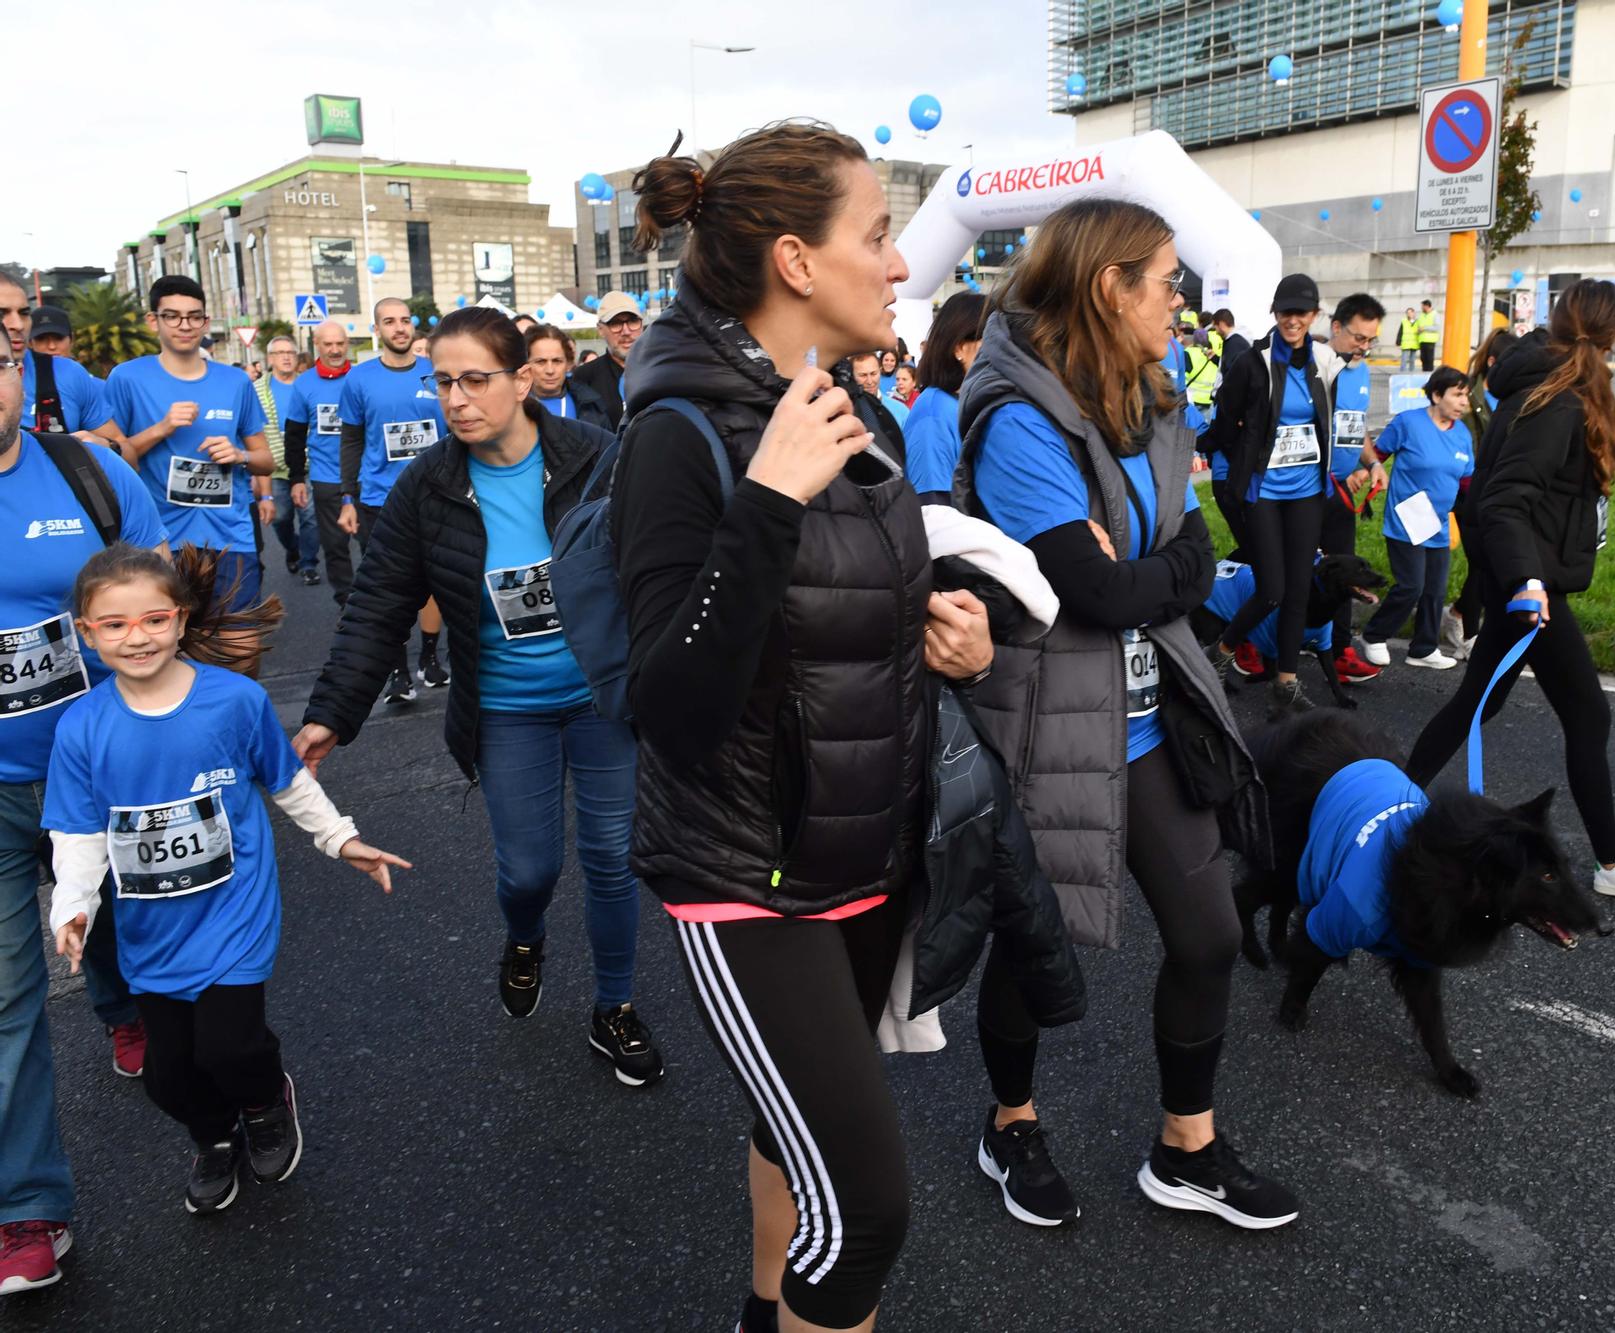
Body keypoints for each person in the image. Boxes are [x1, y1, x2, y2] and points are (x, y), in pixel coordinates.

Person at [612, 121, 984, 1333]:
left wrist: (957, 636)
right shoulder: (676, 431)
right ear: (792, 259)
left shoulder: (844, 404)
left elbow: (852, 613)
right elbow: (667, 706)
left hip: (861, 851)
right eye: (875, 237)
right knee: (866, 1212)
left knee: (795, 1137)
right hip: (742, 871)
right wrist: (767, 499)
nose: (897, 267)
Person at [957, 197, 1293, 1234]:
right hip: (1048, 723)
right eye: (1164, 279)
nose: (1180, 300)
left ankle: (1183, 1147)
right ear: (1111, 286)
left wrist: (1146, 571)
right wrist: (1156, 573)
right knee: (1034, 951)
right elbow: (1089, 594)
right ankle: (1009, 1120)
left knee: (1205, 934)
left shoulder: (1148, 397)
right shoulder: (1015, 417)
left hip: (1150, 714)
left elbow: (1188, 553)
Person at [294, 306, 662, 1086]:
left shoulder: (596, 455)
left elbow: (656, 569)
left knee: (612, 859)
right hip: (506, 708)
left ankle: (616, 1006)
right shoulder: (429, 485)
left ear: (523, 379)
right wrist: (332, 711)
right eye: (443, 382)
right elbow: (379, 602)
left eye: (475, 379)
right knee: (529, 869)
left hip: (602, 702)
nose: (456, 398)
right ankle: (525, 939)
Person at [43, 543, 406, 1216]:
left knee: (232, 1046)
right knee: (170, 1074)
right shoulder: (80, 728)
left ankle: (266, 1100)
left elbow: (288, 781)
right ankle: (212, 1136)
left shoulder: (235, 700)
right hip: (151, 929)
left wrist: (341, 839)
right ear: (87, 635)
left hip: (233, 909)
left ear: (180, 620)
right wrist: (73, 906)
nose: (137, 637)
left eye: (153, 619)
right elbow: (80, 832)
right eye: (114, 624)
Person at [1404, 278, 1615, 904]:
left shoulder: (1563, 385)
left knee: (1477, 705)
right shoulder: (1555, 397)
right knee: (1587, 713)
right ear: (1613, 332)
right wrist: (1527, 581)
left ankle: (1391, 801)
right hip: (1528, 583)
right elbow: (1505, 498)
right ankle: (1613, 860)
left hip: (1522, 577)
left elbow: (1601, 454)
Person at [0, 349, 166, 1295]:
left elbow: (155, 589)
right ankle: (27, 1210)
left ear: (17, 371)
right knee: (7, 1001)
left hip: (104, 771)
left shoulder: (87, 472)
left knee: (118, 926)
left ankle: (140, 1015)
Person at [101, 277, 275, 640]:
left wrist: (240, 455)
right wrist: (161, 428)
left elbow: (266, 460)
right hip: (161, 540)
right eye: (173, 316)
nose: (185, 325)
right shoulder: (128, 378)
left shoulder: (235, 382)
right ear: (154, 321)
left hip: (230, 537)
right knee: (175, 648)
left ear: (206, 322)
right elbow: (111, 461)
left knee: (241, 645)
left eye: (194, 317)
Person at [1204, 272, 1339, 717]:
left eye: (1301, 312)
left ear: (1314, 315)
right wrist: (1233, 452)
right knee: (1273, 589)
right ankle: (1220, 652)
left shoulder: (1324, 361)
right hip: (1263, 491)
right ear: (1275, 314)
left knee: (1300, 586)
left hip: (1305, 490)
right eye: (1285, 312)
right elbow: (1224, 422)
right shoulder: (1253, 362)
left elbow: (1328, 420)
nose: (1292, 320)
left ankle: (1286, 681)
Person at [337, 297, 450, 699]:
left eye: (405, 321)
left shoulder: (436, 374)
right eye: (390, 321)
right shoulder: (358, 379)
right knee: (390, 586)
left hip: (436, 493)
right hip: (378, 498)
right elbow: (350, 441)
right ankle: (397, 671)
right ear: (377, 329)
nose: (399, 328)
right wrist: (347, 497)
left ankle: (431, 659)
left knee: (435, 579)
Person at [1359, 366, 1475, 670]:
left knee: (1435, 590)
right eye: (1458, 395)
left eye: (1467, 396)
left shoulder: (1462, 434)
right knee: (1411, 585)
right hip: (1406, 518)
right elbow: (1378, 455)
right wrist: (1368, 471)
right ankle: (1374, 635)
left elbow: (1466, 483)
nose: (1465, 402)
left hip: (1436, 522)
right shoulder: (1408, 423)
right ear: (1437, 395)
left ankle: (1423, 649)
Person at [1316, 292, 1388, 686]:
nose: (1364, 346)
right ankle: (1260, 643)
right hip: (1305, 489)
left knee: (1345, 567)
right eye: (1359, 338)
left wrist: (1372, 462)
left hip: (1341, 491)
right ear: (1336, 328)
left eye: (1370, 339)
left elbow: (1354, 426)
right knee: (1298, 569)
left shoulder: (1360, 372)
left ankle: (1340, 650)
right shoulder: (1314, 365)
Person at [1439, 328, 1519, 659]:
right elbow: (1466, 445)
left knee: (1487, 563)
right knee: (1483, 563)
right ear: (1492, 361)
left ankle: (1457, 615)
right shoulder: (1468, 397)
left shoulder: (1511, 393)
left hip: (1499, 491)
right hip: (1469, 490)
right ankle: (1467, 630)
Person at [283, 321, 360, 605]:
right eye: (328, 344)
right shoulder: (304, 383)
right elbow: (294, 435)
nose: (335, 349)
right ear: (317, 344)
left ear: (347, 344)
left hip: (366, 476)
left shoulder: (361, 378)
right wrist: (295, 479)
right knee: (335, 546)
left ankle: (375, 601)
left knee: (373, 545)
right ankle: (346, 602)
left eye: (340, 343)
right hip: (326, 477)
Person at [0, 281, 119, 447]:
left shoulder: (69, 373)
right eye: (2, 313)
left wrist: (105, 447)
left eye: (24, 313)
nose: (18, 325)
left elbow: (126, 452)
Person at [903, 289, 985, 500]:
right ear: (959, 348)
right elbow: (935, 505)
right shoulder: (934, 414)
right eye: (990, 338)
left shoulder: (965, 403)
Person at [255, 336, 318, 586]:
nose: (286, 357)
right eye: (280, 352)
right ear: (270, 359)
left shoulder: (307, 385)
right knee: (280, 518)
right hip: (274, 465)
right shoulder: (257, 389)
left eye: (290, 352)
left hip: (308, 463)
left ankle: (309, 563)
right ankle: (294, 548)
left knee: (310, 516)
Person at [570, 291, 641, 431]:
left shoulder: (660, 370)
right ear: (600, 330)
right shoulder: (584, 376)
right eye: (616, 323)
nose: (626, 331)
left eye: (633, 321)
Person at [524, 323, 612, 429]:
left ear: (568, 364)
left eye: (557, 361)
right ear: (526, 365)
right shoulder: (510, 407)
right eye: (541, 362)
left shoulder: (591, 405)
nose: (550, 370)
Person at [850, 350, 909, 427]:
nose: (869, 381)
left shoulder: (901, 410)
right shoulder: (846, 411)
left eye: (873, 374)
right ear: (852, 376)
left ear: (880, 371)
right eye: (863, 375)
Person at [1181, 314, 1221, 425]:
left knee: (1189, 434)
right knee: (1204, 434)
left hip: (1191, 401)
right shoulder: (1214, 356)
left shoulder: (1189, 353)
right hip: (1208, 401)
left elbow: (1182, 376)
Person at [1211, 307, 1250, 374]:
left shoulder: (1234, 344)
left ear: (1221, 324)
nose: (1216, 332)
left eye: (1215, 328)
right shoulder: (1234, 342)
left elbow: (1231, 373)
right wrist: (1215, 358)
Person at [1416, 299, 1440, 371]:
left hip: (1430, 341)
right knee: (1423, 358)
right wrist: (1418, 330)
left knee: (1429, 359)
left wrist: (1424, 328)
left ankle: (1429, 373)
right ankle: (1424, 372)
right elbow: (1418, 325)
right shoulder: (1421, 315)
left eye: (1422, 306)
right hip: (1422, 340)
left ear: (1427, 306)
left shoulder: (1435, 314)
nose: (1421, 308)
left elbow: (1437, 327)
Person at [1397, 306, 1421, 371]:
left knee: (1412, 360)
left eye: (1410, 312)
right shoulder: (1404, 321)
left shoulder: (1418, 321)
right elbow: (1400, 331)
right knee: (1404, 360)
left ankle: (1411, 374)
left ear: (1414, 313)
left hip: (1414, 343)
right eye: (1407, 313)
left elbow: (1420, 332)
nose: (1409, 314)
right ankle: (1402, 374)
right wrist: (1398, 342)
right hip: (1406, 343)